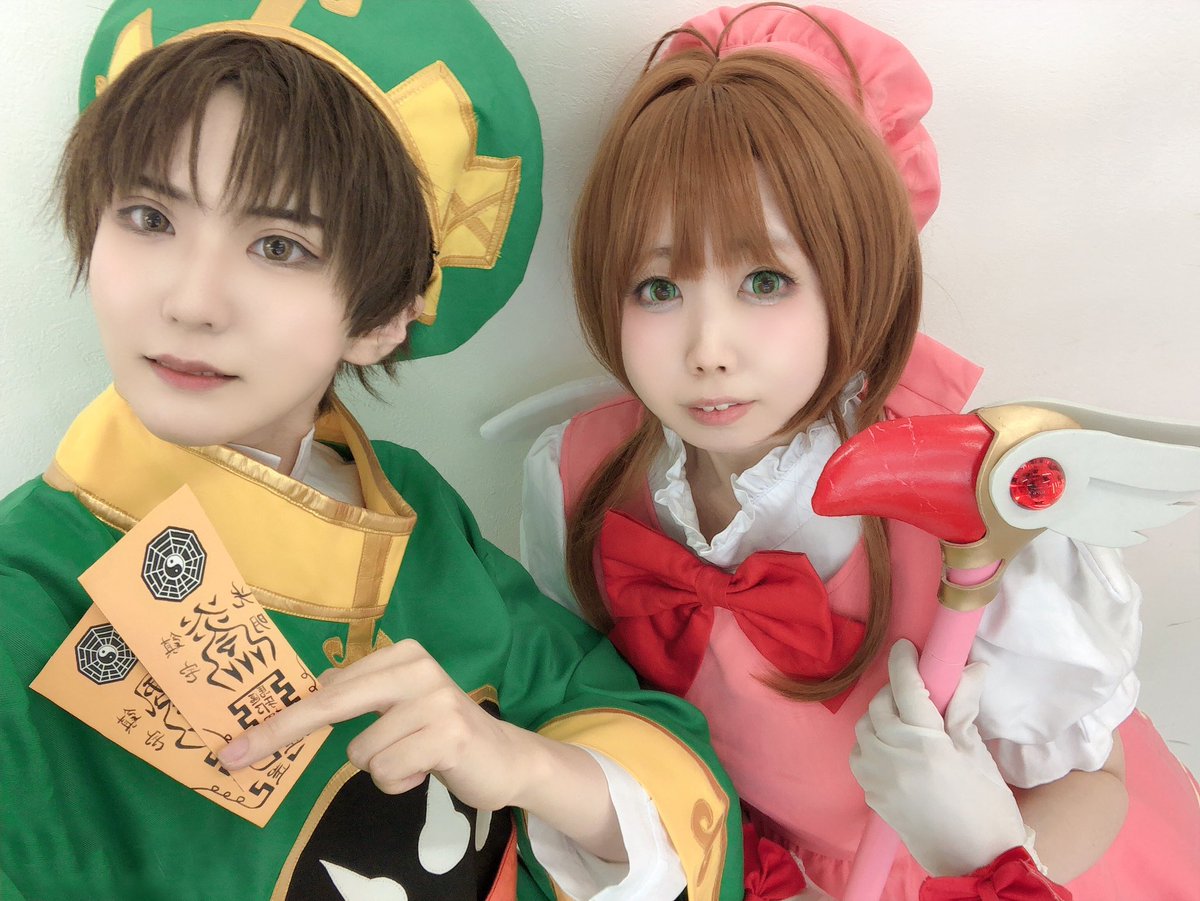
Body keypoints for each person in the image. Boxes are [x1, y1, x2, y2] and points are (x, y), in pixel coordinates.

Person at [0, 2, 748, 899]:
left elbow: (618, 720)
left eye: (278, 244)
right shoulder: (23, 598)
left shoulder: (417, 512)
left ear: (387, 316)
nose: (191, 301)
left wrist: (525, 765)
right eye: (149, 217)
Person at [520, 3, 1200, 899]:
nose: (708, 347)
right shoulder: (576, 477)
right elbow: (593, 707)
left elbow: (1092, 780)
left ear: (854, 275)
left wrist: (983, 852)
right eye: (657, 286)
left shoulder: (976, 503)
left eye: (766, 280)